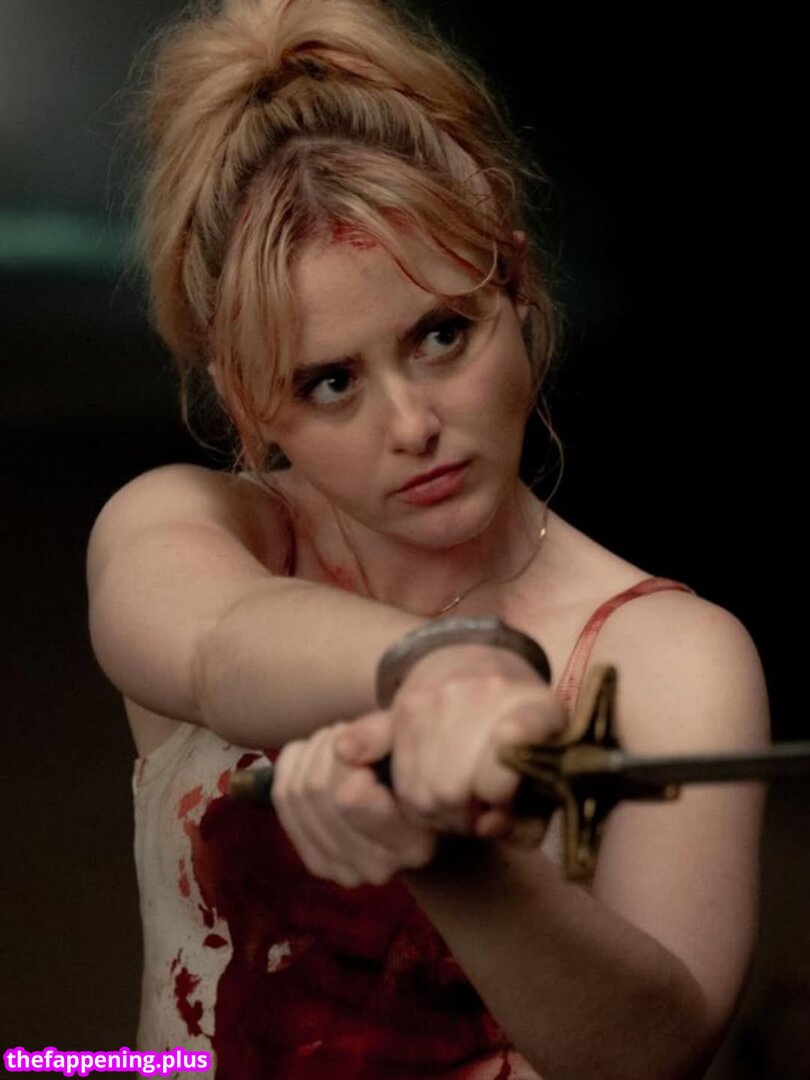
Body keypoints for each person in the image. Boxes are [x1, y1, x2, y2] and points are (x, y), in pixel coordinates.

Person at [87, 0, 769, 1076]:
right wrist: (442, 673)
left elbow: (653, 1052)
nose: (412, 426)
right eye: (329, 382)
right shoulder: (195, 529)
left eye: (442, 333)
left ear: (515, 284)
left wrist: (454, 860)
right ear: (249, 399)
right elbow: (215, 643)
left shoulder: (672, 657)